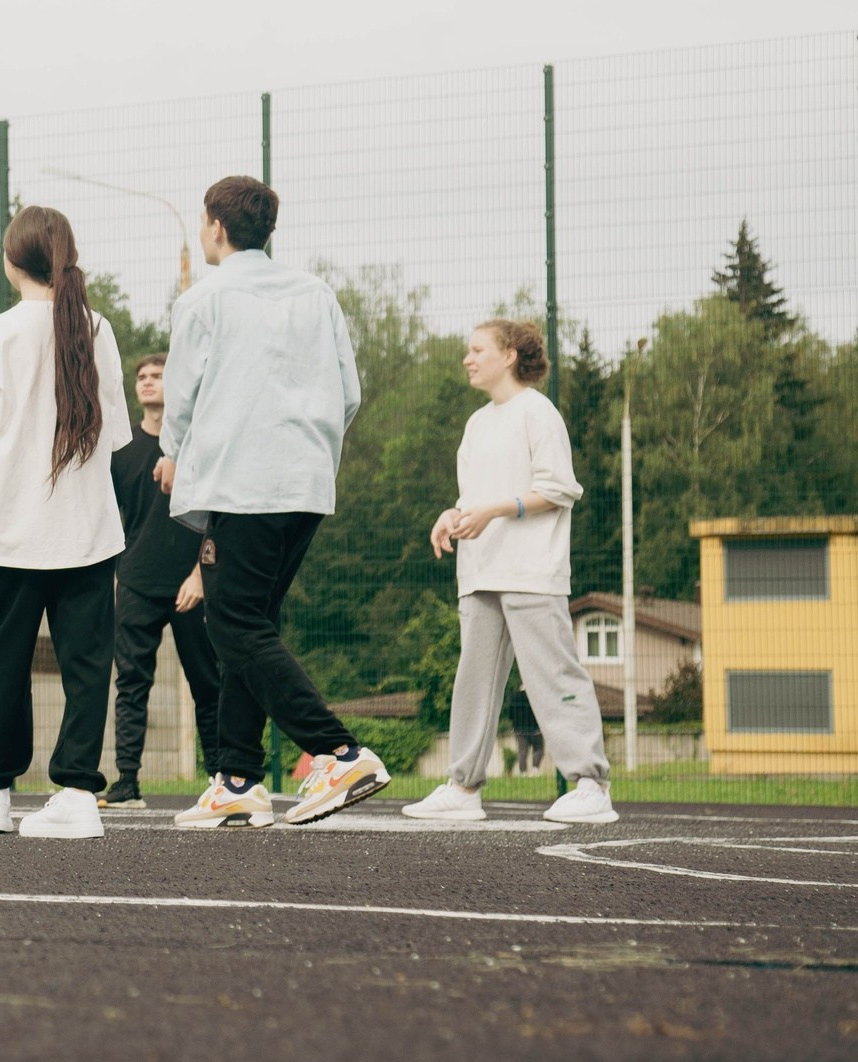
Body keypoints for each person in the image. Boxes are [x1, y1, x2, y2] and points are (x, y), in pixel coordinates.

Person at [157, 176, 388, 828]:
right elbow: (348, 392)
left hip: (242, 483)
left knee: (233, 623)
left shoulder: (204, 299)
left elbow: (180, 396)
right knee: (252, 622)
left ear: (216, 228)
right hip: (307, 483)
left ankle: (338, 752)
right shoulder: (317, 295)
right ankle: (236, 777)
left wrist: (175, 450)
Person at [0, 204, 131, 840]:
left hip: (11, 531)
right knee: (87, 664)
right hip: (89, 529)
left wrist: (5, 494)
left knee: (5, 661)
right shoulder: (98, 328)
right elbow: (115, 436)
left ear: (11, 259)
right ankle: (77, 792)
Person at [405, 320, 619, 824]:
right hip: (479, 573)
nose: (467, 358)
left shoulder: (538, 413)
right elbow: (473, 499)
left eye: (477, 349)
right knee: (473, 681)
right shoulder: (477, 424)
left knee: (552, 674)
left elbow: (559, 489)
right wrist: (452, 515)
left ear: (508, 356)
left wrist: (495, 511)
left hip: (531, 572)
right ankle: (463, 787)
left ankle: (591, 784)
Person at [102, 352, 223, 809]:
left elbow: (217, 518)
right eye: (143, 378)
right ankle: (128, 782)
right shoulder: (121, 451)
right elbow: (106, 517)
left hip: (192, 585)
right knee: (131, 683)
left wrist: (200, 575)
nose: (149, 383)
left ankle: (220, 778)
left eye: (158, 376)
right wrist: (116, 573)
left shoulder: (196, 448)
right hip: (135, 581)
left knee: (207, 684)